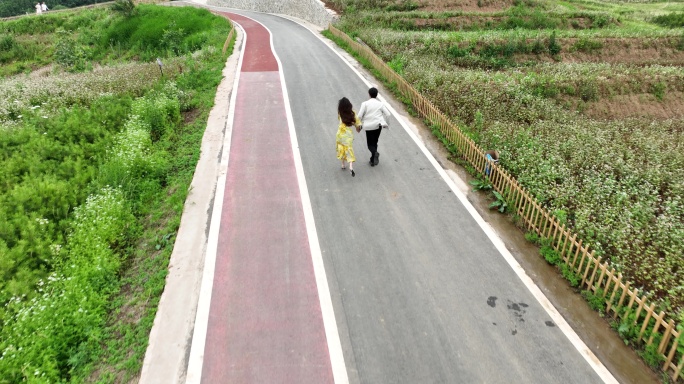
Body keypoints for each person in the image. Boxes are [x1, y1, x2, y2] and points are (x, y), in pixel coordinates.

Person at [357, 87, 390, 166]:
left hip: (368, 126)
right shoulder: (380, 104)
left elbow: (359, 116)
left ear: (369, 94)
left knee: (370, 144)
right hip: (378, 126)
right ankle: (372, 160)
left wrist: (359, 125)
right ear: (377, 95)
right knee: (375, 142)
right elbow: (388, 114)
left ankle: (375, 153)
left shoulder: (364, 104)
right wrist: (386, 123)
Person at [336, 97, 361, 177]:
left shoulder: (340, 113)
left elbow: (339, 120)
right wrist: (358, 129)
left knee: (341, 148)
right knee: (349, 148)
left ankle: (343, 164)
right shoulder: (352, 113)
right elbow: (357, 123)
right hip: (348, 134)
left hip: (340, 133)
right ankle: (350, 165)